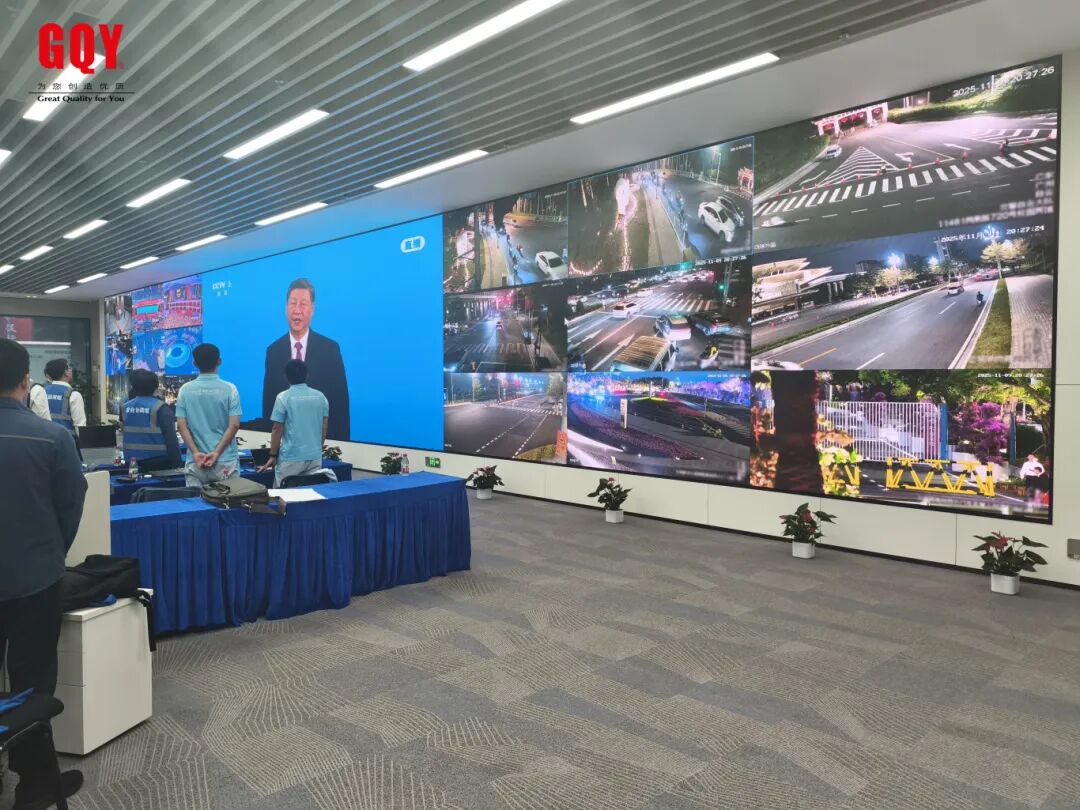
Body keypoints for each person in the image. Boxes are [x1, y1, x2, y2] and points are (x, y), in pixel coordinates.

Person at [0, 339, 86, 807]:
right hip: (35, 579)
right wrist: (53, 553)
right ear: (24, 380)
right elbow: (71, 507)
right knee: (33, 682)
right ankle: (34, 784)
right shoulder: (53, 438)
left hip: (32, 572)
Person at [261, 278, 350, 440]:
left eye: (303, 304)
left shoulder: (329, 349)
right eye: (292, 303)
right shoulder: (273, 351)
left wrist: (340, 445)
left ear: (312, 309)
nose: (297, 310)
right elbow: (269, 406)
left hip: (320, 443)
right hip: (285, 445)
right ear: (286, 307)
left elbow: (340, 405)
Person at [258, 360, 337, 487]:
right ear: (307, 375)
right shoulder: (321, 396)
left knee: (282, 494)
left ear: (286, 376)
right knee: (310, 492)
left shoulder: (283, 397)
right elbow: (324, 426)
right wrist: (318, 447)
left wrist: (273, 455)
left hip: (291, 457)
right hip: (314, 456)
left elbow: (277, 429)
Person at [175, 343, 243, 488]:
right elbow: (234, 425)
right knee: (229, 500)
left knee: (195, 501)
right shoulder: (230, 389)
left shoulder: (185, 390)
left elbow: (181, 426)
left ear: (194, 363)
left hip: (196, 462)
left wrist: (195, 453)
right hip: (225, 460)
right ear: (219, 361)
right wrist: (216, 453)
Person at [122, 369, 182, 469]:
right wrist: (177, 463)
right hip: (158, 462)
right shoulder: (160, 407)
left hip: (131, 462)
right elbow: (171, 439)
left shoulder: (125, 407)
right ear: (156, 387)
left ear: (133, 387)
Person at [43, 358, 86, 442]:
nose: (71, 370)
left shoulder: (42, 391)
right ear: (66, 372)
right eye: (69, 368)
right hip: (68, 443)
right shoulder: (73, 395)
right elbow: (80, 426)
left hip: (47, 442)